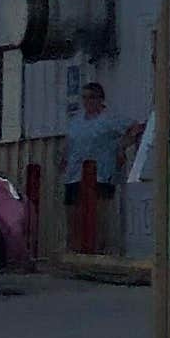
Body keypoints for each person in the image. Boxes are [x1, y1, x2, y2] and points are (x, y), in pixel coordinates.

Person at [63, 79, 131, 256]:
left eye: (92, 97)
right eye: (84, 98)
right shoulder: (77, 121)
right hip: (74, 175)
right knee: (74, 216)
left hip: (100, 175)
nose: (88, 101)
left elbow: (135, 127)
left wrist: (122, 147)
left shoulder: (110, 119)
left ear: (101, 99)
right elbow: (69, 143)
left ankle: (98, 251)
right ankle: (75, 251)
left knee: (98, 216)